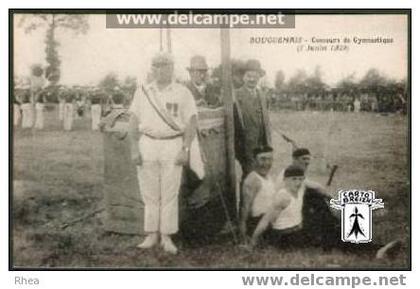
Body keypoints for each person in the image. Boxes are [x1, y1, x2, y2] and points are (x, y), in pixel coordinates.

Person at [129, 52, 202, 254]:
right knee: (149, 192)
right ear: (152, 68)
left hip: (172, 144)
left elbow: (192, 122)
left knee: (170, 193)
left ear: (172, 67)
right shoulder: (142, 91)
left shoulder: (182, 92)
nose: (160, 69)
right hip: (148, 143)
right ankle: (152, 234)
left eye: (165, 65)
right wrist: (134, 148)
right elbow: (133, 120)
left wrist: (185, 149)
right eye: (156, 65)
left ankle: (167, 236)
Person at [247, 164, 401, 259]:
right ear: (286, 181)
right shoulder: (283, 197)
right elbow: (266, 221)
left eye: (300, 179)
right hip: (287, 238)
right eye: (294, 180)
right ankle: (375, 251)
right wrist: (253, 242)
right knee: (333, 239)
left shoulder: (300, 189)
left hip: (300, 230)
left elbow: (317, 187)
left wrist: (330, 198)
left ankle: (377, 247)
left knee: (333, 230)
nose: (298, 183)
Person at [234, 59, 271, 180]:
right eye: (249, 76)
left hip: (261, 146)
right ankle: (245, 199)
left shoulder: (262, 95)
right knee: (249, 177)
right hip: (245, 147)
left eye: (255, 76)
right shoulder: (236, 95)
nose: (252, 79)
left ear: (259, 77)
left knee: (261, 176)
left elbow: (265, 122)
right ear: (243, 77)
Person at [239, 146, 275, 241]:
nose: (266, 163)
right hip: (259, 222)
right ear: (254, 160)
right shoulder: (253, 179)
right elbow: (245, 207)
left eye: (270, 159)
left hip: (270, 219)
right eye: (262, 159)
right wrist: (243, 232)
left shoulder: (269, 177)